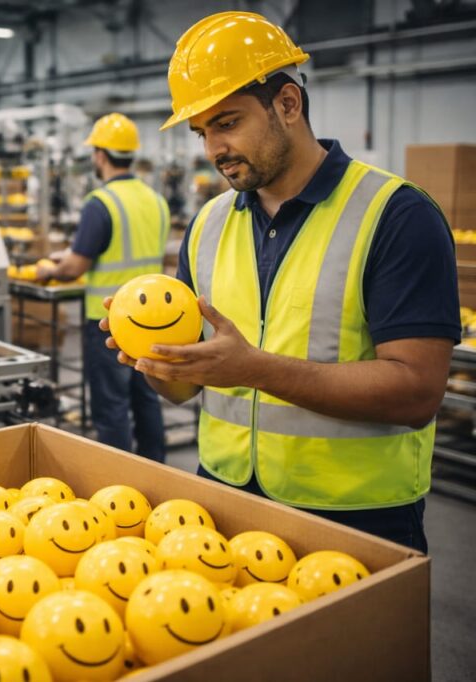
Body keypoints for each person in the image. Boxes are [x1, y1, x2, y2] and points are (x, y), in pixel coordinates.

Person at [100, 11, 460, 552]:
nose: (213, 150)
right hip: (222, 503)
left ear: (288, 105)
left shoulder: (396, 215)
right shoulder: (209, 224)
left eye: (227, 123)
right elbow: (183, 391)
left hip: (351, 518)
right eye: (203, 133)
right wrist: (155, 361)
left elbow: (416, 392)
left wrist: (254, 369)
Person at [37, 113, 171, 461]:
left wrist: (49, 269)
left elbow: (75, 267)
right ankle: (157, 471)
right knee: (146, 398)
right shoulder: (156, 200)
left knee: (111, 405)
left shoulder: (101, 203)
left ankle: (119, 478)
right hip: (154, 320)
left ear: (100, 155)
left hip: (108, 321)